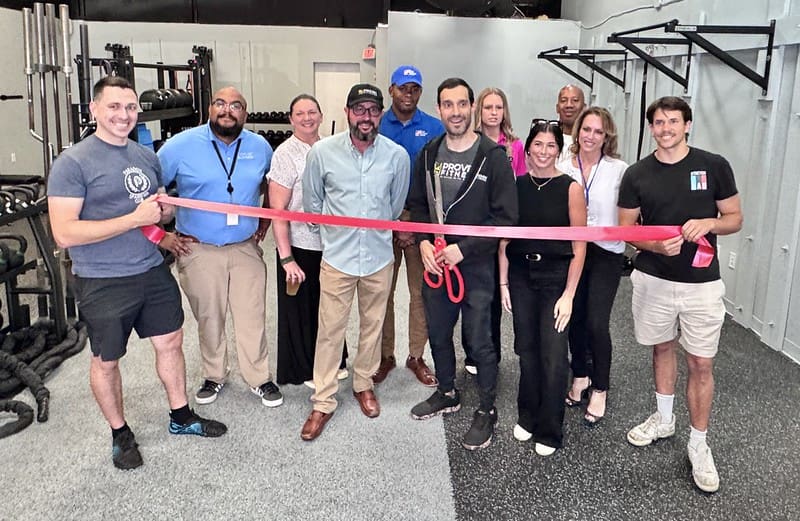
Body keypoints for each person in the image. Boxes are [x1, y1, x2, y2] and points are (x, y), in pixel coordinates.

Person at [47, 76, 227, 471]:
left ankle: (181, 416)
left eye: (130, 107)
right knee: (107, 360)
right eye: (114, 106)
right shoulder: (72, 163)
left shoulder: (145, 156)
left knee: (171, 341)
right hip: (103, 278)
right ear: (94, 109)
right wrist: (134, 219)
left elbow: (153, 213)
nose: (124, 114)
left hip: (150, 269)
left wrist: (164, 219)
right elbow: (64, 233)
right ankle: (120, 433)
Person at [618, 96, 742, 493]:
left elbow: (735, 218)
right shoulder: (637, 174)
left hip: (702, 284)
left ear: (687, 125)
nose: (666, 128)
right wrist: (654, 246)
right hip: (654, 278)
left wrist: (709, 223)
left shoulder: (714, 165)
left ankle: (699, 444)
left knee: (701, 363)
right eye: (659, 122)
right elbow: (627, 230)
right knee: (661, 348)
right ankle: (664, 418)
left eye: (673, 121)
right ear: (651, 128)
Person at [407, 78, 518, 450]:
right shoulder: (428, 154)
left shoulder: (493, 157)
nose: (455, 112)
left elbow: (507, 219)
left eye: (461, 104)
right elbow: (418, 207)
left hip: (476, 266)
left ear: (472, 107)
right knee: (438, 333)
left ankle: (487, 408)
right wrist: (423, 242)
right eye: (447, 104)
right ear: (439, 109)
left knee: (480, 340)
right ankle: (447, 391)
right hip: (437, 264)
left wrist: (464, 249)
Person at [157, 86, 283, 408]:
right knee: (209, 317)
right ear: (210, 109)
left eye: (236, 105)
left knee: (252, 314)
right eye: (220, 104)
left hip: (244, 247)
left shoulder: (260, 146)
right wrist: (163, 236)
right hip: (198, 249)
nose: (228, 110)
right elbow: (152, 187)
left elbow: (272, 185)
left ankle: (259, 377)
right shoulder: (180, 146)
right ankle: (214, 375)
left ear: (245, 113)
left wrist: (265, 218)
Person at [300, 84, 410, 441]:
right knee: (330, 331)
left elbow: (394, 207)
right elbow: (313, 205)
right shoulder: (321, 153)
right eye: (359, 109)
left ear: (381, 114)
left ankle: (364, 384)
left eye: (373, 110)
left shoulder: (397, 157)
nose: (366, 117)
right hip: (338, 258)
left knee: (372, 327)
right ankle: (323, 400)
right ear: (347, 112)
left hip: (378, 258)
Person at [498, 121, 586, 456]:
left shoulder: (570, 189)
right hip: (521, 274)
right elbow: (504, 239)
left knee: (553, 354)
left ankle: (550, 429)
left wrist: (569, 294)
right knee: (526, 348)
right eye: (538, 144)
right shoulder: (516, 185)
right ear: (528, 147)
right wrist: (504, 282)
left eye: (551, 145)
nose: (543, 152)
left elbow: (580, 246)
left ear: (559, 150)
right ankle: (528, 415)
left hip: (555, 277)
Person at [267, 94, 347, 387]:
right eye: (299, 114)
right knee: (302, 310)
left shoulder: (331, 148)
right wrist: (286, 258)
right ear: (291, 119)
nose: (307, 118)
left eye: (312, 112)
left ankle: (333, 361)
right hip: (299, 246)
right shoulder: (285, 154)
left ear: (321, 116)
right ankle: (306, 370)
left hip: (331, 245)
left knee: (330, 307)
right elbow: (278, 211)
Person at [557, 107, 628, 425]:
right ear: (577, 131)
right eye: (586, 129)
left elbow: (630, 213)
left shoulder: (618, 170)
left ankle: (600, 386)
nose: (591, 136)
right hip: (572, 252)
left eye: (598, 131)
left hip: (605, 253)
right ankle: (580, 375)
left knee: (597, 322)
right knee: (574, 318)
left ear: (606, 136)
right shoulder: (562, 167)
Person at [376, 65, 443, 387]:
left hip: (420, 226)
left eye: (414, 89)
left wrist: (412, 220)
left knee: (421, 294)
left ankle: (416, 356)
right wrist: (396, 219)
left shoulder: (434, 128)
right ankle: (384, 356)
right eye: (403, 88)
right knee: (381, 293)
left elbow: (435, 180)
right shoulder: (376, 124)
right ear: (391, 89)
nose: (408, 94)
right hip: (382, 224)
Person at [554, 84, 586, 162]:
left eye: (575, 100)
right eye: (563, 100)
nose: (569, 105)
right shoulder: (547, 135)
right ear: (557, 108)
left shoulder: (590, 138)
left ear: (584, 108)